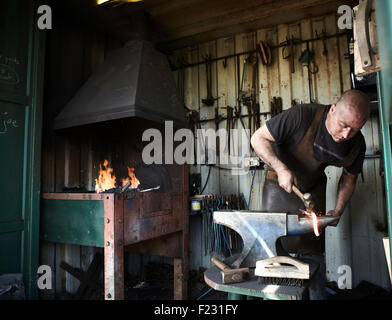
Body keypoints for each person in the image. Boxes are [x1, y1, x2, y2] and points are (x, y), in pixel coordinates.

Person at [250, 89, 370, 299]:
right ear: (333, 109)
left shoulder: (356, 144)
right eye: (343, 125)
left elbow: (348, 179)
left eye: (354, 130)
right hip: (280, 185)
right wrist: (280, 168)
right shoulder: (302, 116)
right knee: (276, 251)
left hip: (313, 189)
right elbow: (258, 138)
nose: (345, 135)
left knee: (313, 254)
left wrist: (339, 209)